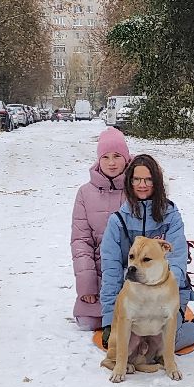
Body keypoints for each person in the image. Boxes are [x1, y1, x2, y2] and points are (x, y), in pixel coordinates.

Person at [95, 153, 194, 355]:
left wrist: (159, 301)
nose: (142, 185)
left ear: (157, 181)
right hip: (134, 299)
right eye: (136, 179)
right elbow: (111, 272)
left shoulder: (170, 215)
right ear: (129, 182)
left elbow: (177, 263)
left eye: (148, 179)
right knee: (125, 349)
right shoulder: (118, 221)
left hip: (166, 296)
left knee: (163, 347)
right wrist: (110, 320)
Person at [70, 128, 129, 331]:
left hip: (132, 273)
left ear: (126, 158)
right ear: (98, 160)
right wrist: (87, 284)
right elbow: (81, 241)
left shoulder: (137, 187)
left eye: (117, 156)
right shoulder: (85, 193)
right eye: (105, 157)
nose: (111, 162)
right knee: (89, 323)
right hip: (99, 274)